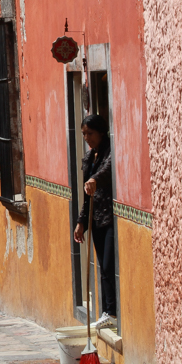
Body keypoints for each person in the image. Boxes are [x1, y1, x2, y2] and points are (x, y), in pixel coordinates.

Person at [73, 114, 117, 330]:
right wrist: (81, 222)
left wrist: (95, 180)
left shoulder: (110, 151)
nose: (87, 138)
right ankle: (108, 311)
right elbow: (86, 196)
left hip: (110, 217)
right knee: (102, 267)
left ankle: (112, 312)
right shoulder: (89, 158)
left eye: (90, 133)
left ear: (101, 132)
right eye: (83, 134)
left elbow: (108, 170)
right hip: (95, 217)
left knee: (109, 265)